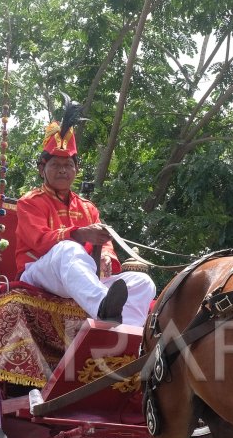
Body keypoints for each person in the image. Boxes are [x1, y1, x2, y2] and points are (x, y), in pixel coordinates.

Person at [15, 98, 154, 327]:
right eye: (55, 165)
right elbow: (39, 242)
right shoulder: (29, 202)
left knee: (142, 281)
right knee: (68, 248)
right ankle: (103, 309)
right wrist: (79, 234)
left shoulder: (88, 207)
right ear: (42, 169)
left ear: (76, 169)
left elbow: (105, 243)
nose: (63, 170)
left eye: (68, 165)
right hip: (39, 273)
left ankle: (126, 336)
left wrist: (108, 257)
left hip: (82, 278)